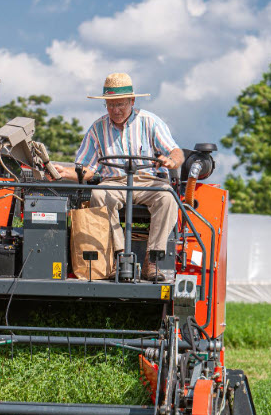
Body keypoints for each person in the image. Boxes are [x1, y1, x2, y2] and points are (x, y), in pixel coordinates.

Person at [54, 72, 184, 282]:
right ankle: (119, 258)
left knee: (167, 197)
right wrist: (65, 172)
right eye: (110, 105)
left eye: (120, 104)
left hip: (148, 182)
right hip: (114, 183)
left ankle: (152, 260)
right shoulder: (97, 128)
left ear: (132, 101)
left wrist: (171, 161)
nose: (115, 110)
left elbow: (175, 151)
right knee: (99, 194)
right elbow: (86, 169)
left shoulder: (150, 122)